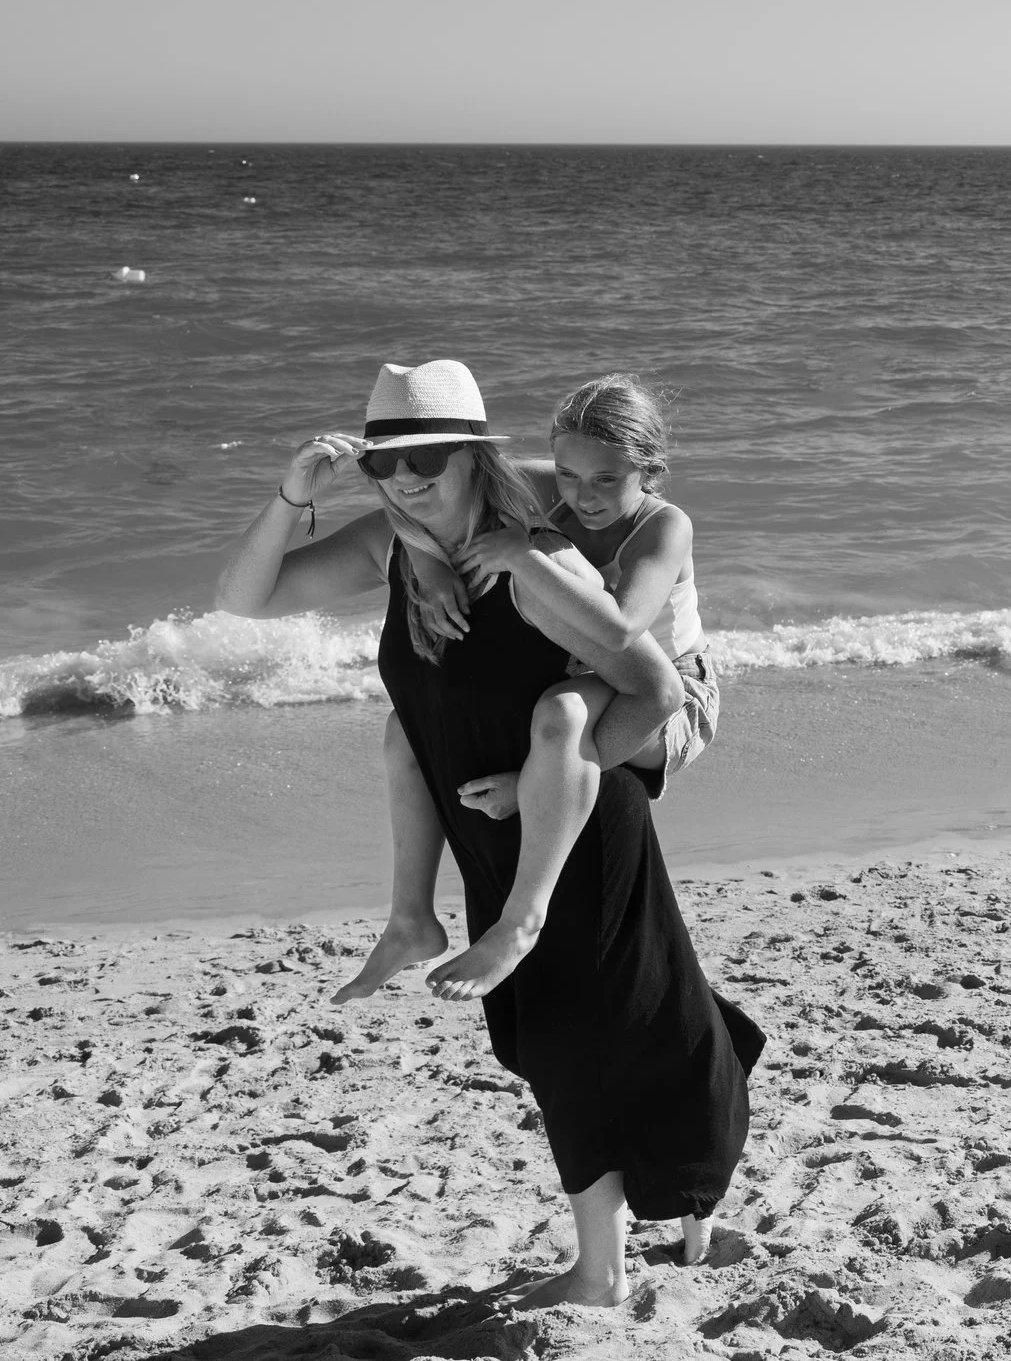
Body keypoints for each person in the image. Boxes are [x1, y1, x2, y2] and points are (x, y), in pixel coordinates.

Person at [216, 359, 763, 1304]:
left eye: (430, 456)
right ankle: (684, 1233)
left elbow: (656, 682)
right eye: (384, 463)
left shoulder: (536, 554)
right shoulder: (396, 545)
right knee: (587, 1032)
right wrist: (288, 496)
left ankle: (608, 1270)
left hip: (570, 818)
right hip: (491, 823)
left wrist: (547, 779)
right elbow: (242, 600)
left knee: (599, 1033)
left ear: (473, 455)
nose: (407, 478)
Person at [338, 373, 719, 1005]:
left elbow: (623, 629)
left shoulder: (662, 527)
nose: (582, 494)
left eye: (607, 479)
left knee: (562, 713)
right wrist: (427, 559)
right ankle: (411, 918)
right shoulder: (554, 485)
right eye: (567, 474)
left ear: (649, 469)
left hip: (671, 697)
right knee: (408, 723)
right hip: (587, 667)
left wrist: (524, 557)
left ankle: (519, 923)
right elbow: (419, 490)